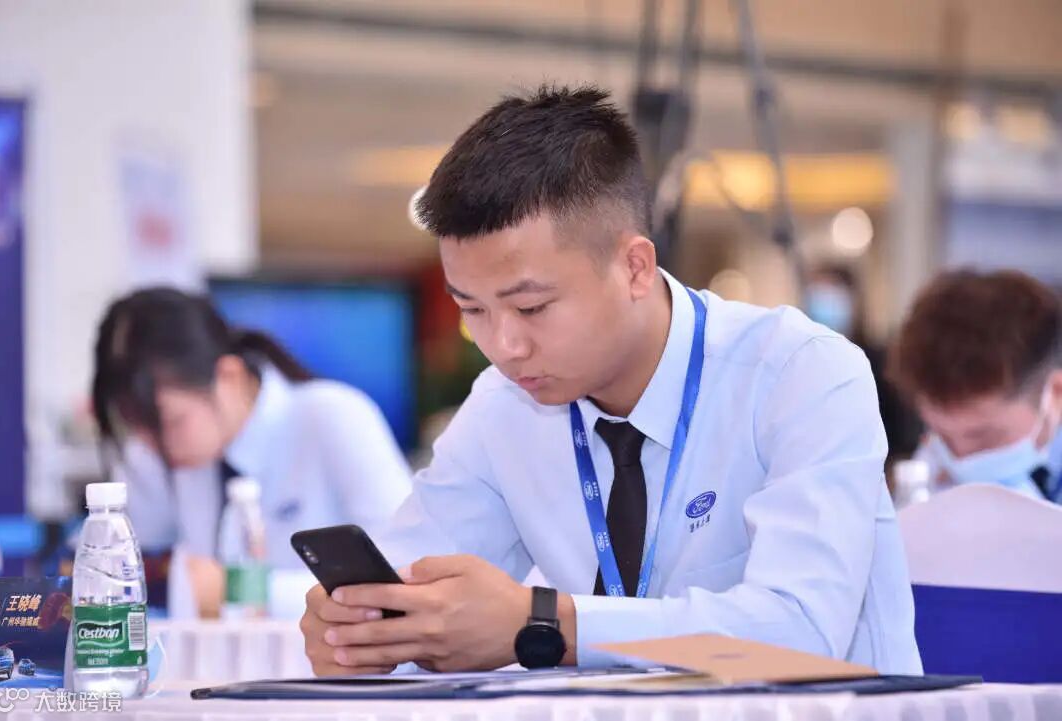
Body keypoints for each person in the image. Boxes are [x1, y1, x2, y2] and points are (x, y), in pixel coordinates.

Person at [300, 85, 921, 675]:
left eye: (532, 307)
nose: (505, 346)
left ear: (635, 268)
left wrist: (545, 623)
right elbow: (410, 578)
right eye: (473, 310)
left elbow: (803, 632)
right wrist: (366, 630)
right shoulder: (503, 408)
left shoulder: (799, 373)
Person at [91, 287, 413, 591]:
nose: (153, 445)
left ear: (228, 376)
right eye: (134, 426)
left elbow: (406, 567)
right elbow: (126, 571)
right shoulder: (151, 451)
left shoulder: (334, 416)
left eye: (172, 421)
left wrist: (236, 591)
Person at [887, 269, 1061, 501]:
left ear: (1056, 394)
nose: (961, 460)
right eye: (942, 436)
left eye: (984, 438)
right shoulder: (931, 468)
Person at [804, 265, 921, 461]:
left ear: (853, 299)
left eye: (832, 293)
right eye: (817, 294)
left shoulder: (878, 360)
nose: (823, 303)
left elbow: (903, 430)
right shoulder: (802, 363)